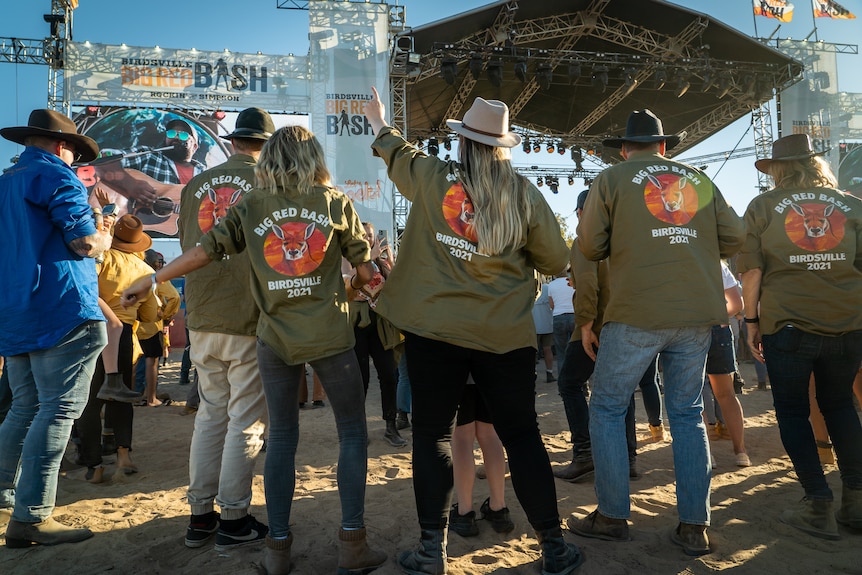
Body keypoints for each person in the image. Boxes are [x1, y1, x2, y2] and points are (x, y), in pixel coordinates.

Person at [122, 124, 385, 575]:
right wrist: (355, 284)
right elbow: (366, 273)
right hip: (329, 334)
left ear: (269, 160)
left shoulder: (252, 204)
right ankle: (352, 544)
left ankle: (277, 550)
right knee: (352, 434)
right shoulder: (335, 202)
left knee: (280, 438)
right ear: (315, 159)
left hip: (274, 336)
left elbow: (204, 252)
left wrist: (154, 277)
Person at [365, 89, 583, 575]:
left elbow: (396, 150)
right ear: (503, 147)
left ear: (463, 144)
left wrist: (379, 119)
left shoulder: (434, 177)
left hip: (434, 333)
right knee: (522, 436)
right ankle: (554, 548)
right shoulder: (525, 195)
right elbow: (554, 259)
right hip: (502, 336)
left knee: (432, 435)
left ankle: (430, 550)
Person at [570, 109, 744, 556]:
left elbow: (589, 246)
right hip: (695, 314)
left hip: (636, 311)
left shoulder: (612, 178)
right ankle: (693, 526)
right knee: (686, 413)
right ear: (664, 146)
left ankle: (611, 515)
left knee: (607, 408)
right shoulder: (697, 179)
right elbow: (735, 236)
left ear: (626, 149)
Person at [738, 133, 862, 539]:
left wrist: (751, 320)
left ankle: (817, 503)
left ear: (777, 169)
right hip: (848, 322)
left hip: (788, 322)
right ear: (816, 163)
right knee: (841, 405)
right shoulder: (852, 207)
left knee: (792, 412)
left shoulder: (762, 207)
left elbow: (752, 272)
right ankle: (857, 502)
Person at [0, 109, 112, 546]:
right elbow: (83, 242)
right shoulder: (60, 178)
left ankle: (8, 494)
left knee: (24, 407)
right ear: (63, 147)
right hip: (61, 308)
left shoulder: (6, 182)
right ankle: (31, 515)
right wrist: (103, 235)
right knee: (58, 409)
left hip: (16, 311)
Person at [177, 108, 272, 551]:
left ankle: (200, 517)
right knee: (246, 421)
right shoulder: (269, 184)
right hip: (247, 314)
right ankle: (233, 518)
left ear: (233, 142)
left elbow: (186, 244)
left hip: (202, 311)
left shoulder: (196, 184)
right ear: (265, 145)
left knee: (211, 414)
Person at [553, 190, 655, 484]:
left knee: (569, 384)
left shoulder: (587, 239)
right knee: (622, 391)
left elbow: (586, 285)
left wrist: (585, 325)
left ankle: (584, 454)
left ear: (582, 213)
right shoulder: (626, 240)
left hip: (596, 326)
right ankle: (628, 458)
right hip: (628, 324)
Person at [77, 214, 159, 482]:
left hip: (93, 329)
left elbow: (85, 289)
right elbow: (150, 315)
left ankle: (95, 466)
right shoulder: (145, 270)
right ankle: (124, 455)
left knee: (90, 401)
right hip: (124, 336)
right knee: (121, 396)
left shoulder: (101, 259)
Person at [345, 221, 406, 448]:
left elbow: (396, 289)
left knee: (389, 376)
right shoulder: (348, 258)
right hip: (356, 326)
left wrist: (389, 265)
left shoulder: (381, 261)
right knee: (360, 380)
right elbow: (346, 284)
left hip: (380, 326)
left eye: (370, 235)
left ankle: (391, 426)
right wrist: (367, 259)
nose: (368, 238)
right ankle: (359, 429)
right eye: (363, 234)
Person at [448, 379, 514, 538]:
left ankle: (464, 513)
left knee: (462, 437)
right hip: (488, 369)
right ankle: (499, 509)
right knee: (490, 435)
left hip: (459, 371)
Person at [703, 261, 749, 467]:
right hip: (718, 329)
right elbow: (737, 304)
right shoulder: (717, 263)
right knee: (727, 395)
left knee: (693, 397)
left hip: (688, 332)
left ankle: (705, 454)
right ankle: (741, 452)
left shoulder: (677, 256)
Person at [138, 250, 180, 407]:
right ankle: (151, 397)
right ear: (156, 264)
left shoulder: (131, 270)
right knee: (152, 361)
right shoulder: (157, 277)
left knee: (133, 361)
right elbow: (174, 297)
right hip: (151, 326)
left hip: (131, 324)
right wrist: (166, 316)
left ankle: (135, 394)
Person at [547, 269, 575, 378]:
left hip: (558, 316)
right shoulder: (572, 281)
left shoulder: (551, 285)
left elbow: (551, 305)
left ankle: (563, 382)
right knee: (576, 350)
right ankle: (580, 382)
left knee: (561, 352)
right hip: (573, 315)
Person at [533, 281, 556, 383]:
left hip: (534, 325)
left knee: (532, 352)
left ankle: (532, 373)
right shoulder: (548, 288)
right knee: (548, 349)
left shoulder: (530, 288)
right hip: (547, 324)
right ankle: (549, 373)